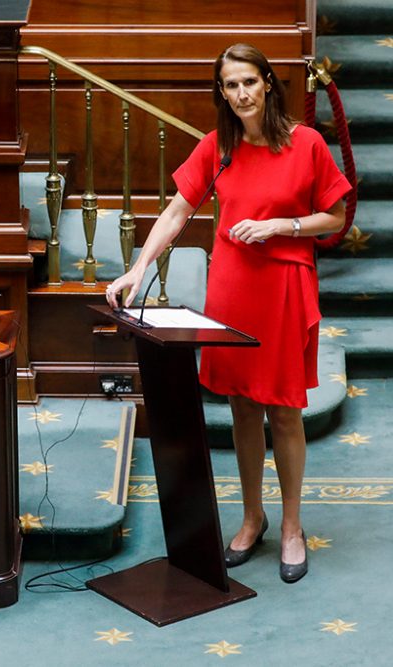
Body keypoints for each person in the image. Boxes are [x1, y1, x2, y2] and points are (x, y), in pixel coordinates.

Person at [105, 43, 351, 583]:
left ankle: (291, 525)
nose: (241, 93)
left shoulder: (305, 143)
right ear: (221, 92)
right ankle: (252, 517)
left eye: (249, 82)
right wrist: (137, 269)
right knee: (241, 408)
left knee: (283, 410)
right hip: (235, 287)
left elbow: (334, 216)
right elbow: (176, 212)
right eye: (230, 85)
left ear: (267, 83)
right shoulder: (218, 147)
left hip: (284, 285)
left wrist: (281, 226)